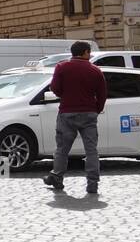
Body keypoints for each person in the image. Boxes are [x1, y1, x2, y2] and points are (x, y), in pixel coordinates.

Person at [44, 41, 107, 196]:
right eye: (89, 52)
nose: (90, 55)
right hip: (89, 114)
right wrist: (96, 109)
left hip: (67, 113)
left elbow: (55, 88)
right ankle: (92, 183)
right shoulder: (95, 71)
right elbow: (102, 94)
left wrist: (65, 96)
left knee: (62, 149)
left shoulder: (61, 67)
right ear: (85, 52)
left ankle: (57, 177)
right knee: (91, 150)